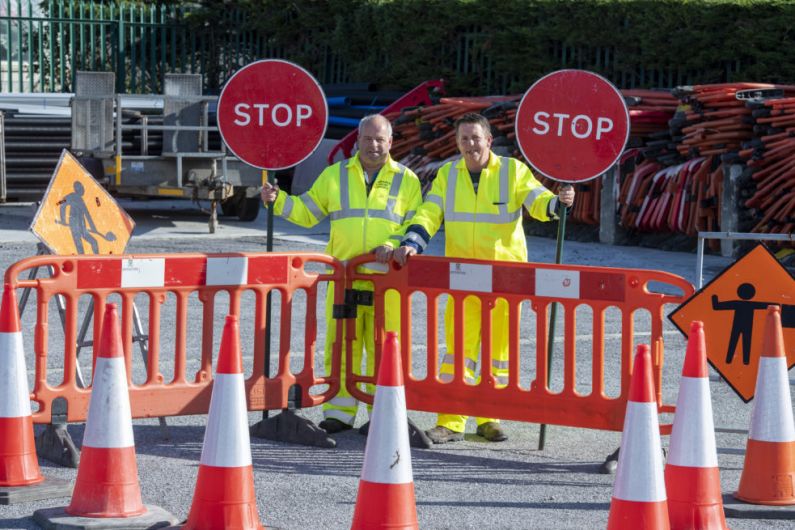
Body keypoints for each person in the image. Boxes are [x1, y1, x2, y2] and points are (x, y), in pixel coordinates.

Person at [394, 113, 575, 444]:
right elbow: (430, 213)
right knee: (458, 352)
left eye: (475, 138)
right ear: (457, 143)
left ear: (489, 141)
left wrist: (556, 204)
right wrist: (412, 242)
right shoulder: (448, 174)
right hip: (463, 278)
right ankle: (450, 422)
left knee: (498, 352)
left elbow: (536, 200)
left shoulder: (512, 171)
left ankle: (490, 417)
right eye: (464, 139)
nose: (470, 144)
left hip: (505, 279)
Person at [261, 114, 428, 444]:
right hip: (344, 278)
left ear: (391, 142)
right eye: (368, 138)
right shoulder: (335, 175)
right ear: (358, 139)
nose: (374, 145)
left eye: (381, 139)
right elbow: (308, 212)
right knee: (340, 344)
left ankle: (382, 411)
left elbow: (413, 225)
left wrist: (393, 244)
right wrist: (277, 201)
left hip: (386, 280)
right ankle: (339, 413)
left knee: (385, 346)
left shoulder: (406, 179)